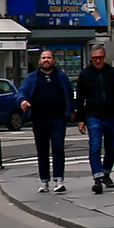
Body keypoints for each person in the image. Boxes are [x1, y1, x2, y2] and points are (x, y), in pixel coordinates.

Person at [17, 49, 74, 194]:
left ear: (54, 61)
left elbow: (69, 95)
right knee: (42, 151)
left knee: (58, 148)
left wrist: (72, 112)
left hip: (57, 119)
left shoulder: (61, 76)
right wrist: (23, 101)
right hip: (39, 119)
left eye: (49, 58)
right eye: (43, 58)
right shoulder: (32, 78)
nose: (46, 60)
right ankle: (44, 182)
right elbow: (21, 91)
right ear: (39, 61)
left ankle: (59, 180)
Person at [75, 46, 114, 195]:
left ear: (104, 57)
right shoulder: (85, 75)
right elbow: (80, 98)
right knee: (95, 146)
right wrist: (80, 119)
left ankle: (106, 173)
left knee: (112, 148)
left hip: (112, 115)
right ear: (91, 58)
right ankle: (97, 178)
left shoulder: (113, 73)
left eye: (100, 58)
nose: (98, 61)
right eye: (95, 58)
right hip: (93, 115)